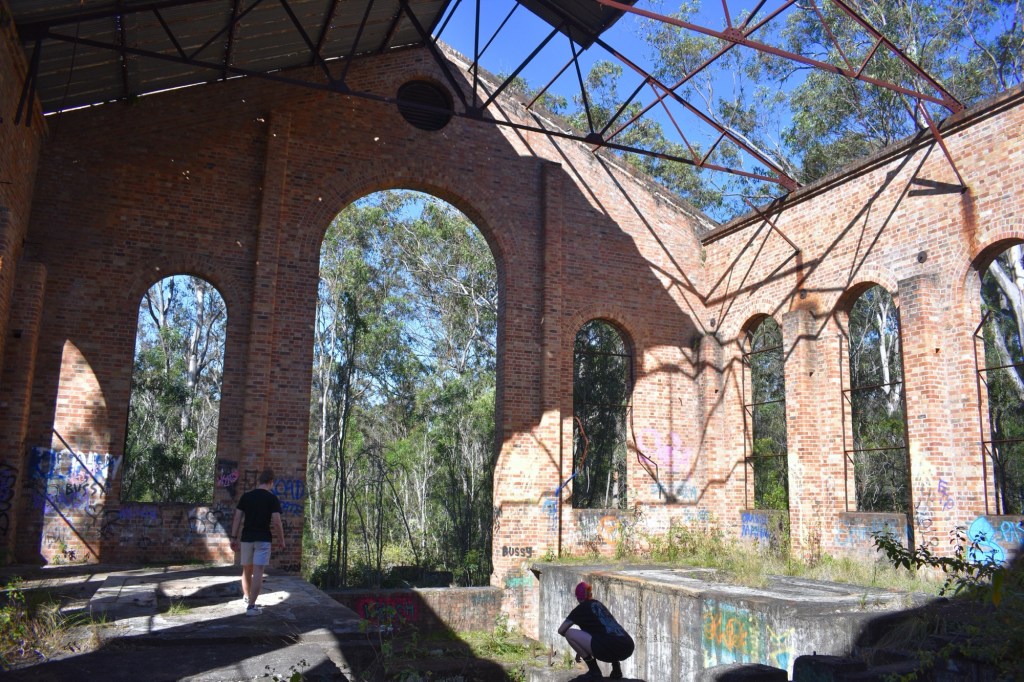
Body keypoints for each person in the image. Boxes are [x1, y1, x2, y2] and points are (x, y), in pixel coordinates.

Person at [230, 468, 285, 616]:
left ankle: (247, 598)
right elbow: (277, 522)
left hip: (246, 538)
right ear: (271, 482)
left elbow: (237, 518)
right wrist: (281, 540)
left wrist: (233, 538)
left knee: (247, 569)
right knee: (258, 571)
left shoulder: (246, 497)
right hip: (263, 539)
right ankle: (251, 607)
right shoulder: (272, 499)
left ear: (259, 481)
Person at [558, 581, 634, 681]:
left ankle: (594, 671)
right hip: (627, 645)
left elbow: (561, 630)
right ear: (590, 594)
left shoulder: (580, 609)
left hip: (606, 649)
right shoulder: (598, 605)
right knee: (607, 634)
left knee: (569, 633)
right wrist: (581, 648)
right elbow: (601, 629)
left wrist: (580, 649)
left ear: (578, 597)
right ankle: (616, 669)